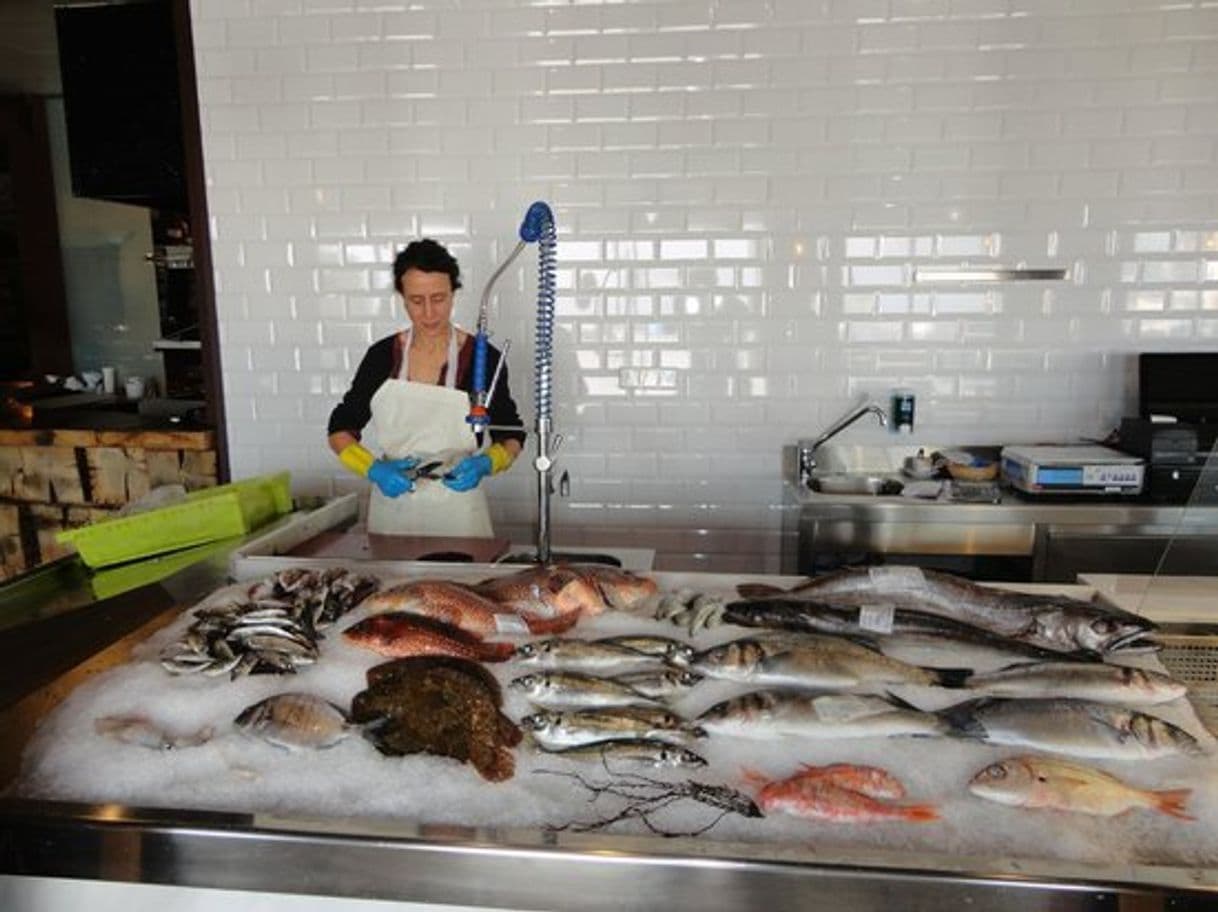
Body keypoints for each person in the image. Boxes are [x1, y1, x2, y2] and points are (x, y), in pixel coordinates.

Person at [327, 238, 526, 536]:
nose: (429, 313)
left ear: (453, 294)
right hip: (393, 509)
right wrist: (373, 469)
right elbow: (340, 429)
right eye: (417, 301)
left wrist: (487, 463)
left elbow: (511, 433)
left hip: (460, 510)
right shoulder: (382, 356)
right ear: (402, 297)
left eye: (439, 298)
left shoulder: (484, 359)